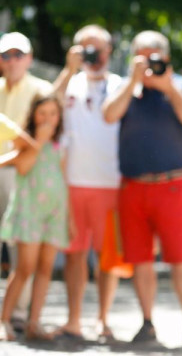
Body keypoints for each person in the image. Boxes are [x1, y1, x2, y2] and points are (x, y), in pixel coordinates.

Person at [101, 30, 182, 346]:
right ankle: (147, 324)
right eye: (142, 57)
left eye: (154, 57)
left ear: (167, 58)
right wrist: (133, 81)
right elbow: (109, 115)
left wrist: (168, 87)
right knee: (140, 259)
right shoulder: (125, 87)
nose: (149, 64)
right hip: (133, 187)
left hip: (171, 186)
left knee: (181, 257)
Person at [52, 25, 123, 341]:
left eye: (98, 48)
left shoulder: (120, 84)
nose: (93, 55)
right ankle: (73, 320)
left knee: (107, 258)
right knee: (74, 255)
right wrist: (69, 68)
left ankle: (103, 319)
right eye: (85, 48)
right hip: (73, 184)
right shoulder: (71, 83)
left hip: (111, 182)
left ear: (109, 52)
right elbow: (46, 106)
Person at [0, 95, 69, 341]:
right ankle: (4, 320)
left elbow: (63, 179)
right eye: (42, 113)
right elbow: (23, 167)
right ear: (33, 115)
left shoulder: (61, 145)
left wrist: (69, 218)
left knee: (45, 269)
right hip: (29, 212)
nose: (48, 118)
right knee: (24, 268)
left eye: (53, 113)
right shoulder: (25, 143)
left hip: (54, 214)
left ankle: (34, 322)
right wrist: (38, 142)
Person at [0, 32, 53, 328]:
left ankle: (17, 315)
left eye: (18, 55)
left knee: (22, 249)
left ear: (29, 58)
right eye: (6, 55)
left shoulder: (41, 91)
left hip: (25, 177)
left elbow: (37, 142)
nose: (12, 61)